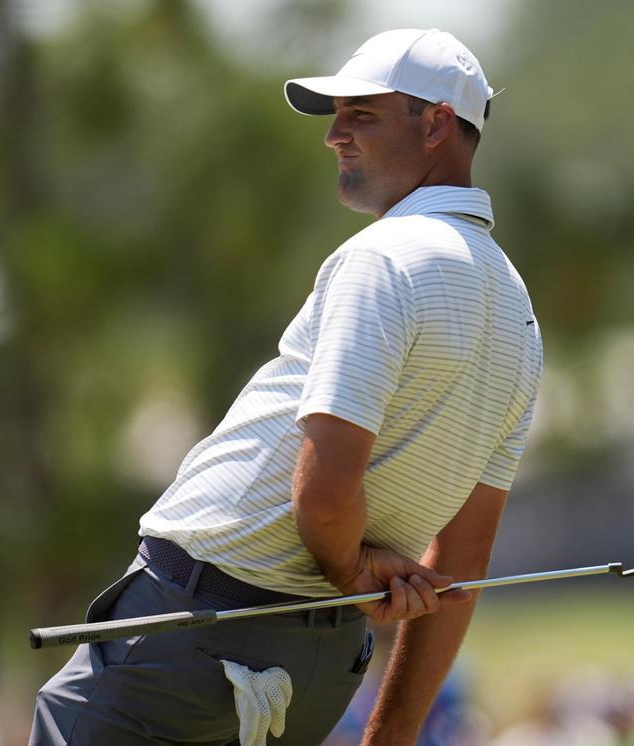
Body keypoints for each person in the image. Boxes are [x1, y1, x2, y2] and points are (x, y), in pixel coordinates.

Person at [31, 28, 542, 745]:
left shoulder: (382, 260)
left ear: (435, 125)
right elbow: (462, 567)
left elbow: (324, 497)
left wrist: (349, 567)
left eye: (361, 114)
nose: (335, 136)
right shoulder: (520, 315)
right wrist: (390, 734)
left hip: (190, 636)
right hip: (320, 669)